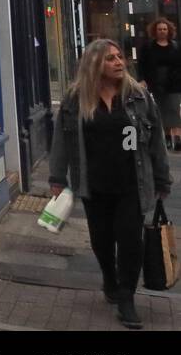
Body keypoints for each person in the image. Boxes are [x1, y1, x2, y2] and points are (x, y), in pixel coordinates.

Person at [49, 39, 172, 329]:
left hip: (132, 181)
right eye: (111, 59)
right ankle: (109, 278)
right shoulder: (74, 99)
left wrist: (162, 177)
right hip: (94, 184)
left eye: (120, 57)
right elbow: (62, 141)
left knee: (131, 241)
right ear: (95, 65)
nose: (119, 63)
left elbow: (156, 141)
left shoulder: (139, 96)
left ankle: (127, 298)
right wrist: (57, 177)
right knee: (101, 241)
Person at [138, 18, 181, 149]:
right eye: (159, 29)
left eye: (164, 29)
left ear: (169, 31)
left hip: (174, 83)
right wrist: (142, 79)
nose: (162, 31)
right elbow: (142, 65)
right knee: (161, 111)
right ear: (155, 31)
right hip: (156, 83)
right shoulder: (148, 47)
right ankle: (167, 137)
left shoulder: (176, 46)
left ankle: (178, 138)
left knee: (174, 109)